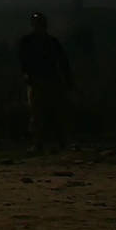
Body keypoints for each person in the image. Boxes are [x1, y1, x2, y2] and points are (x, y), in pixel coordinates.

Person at [17, 12, 74, 152]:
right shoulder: (34, 42)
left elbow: (62, 61)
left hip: (49, 80)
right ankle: (40, 143)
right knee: (39, 114)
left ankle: (58, 142)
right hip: (40, 81)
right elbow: (24, 61)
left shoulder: (46, 42)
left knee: (53, 113)